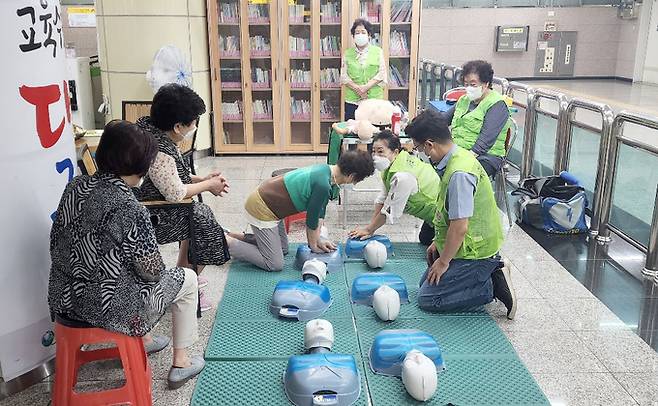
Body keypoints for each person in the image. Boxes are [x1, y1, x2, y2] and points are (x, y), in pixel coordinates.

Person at [49, 120, 204, 389]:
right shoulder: (130, 207)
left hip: (65, 301)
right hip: (108, 310)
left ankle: (145, 340)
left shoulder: (74, 187)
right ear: (141, 166)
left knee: (119, 272)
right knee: (186, 279)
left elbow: (56, 243)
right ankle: (182, 361)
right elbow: (153, 273)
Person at [404, 109, 517, 319]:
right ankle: (480, 273)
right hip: (465, 245)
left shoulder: (459, 174)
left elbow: (460, 226)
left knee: (428, 299)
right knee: (425, 284)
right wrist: (438, 243)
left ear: (430, 144)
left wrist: (444, 261)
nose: (421, 153)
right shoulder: (456, 155)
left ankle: (492, 282)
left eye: (419, 148)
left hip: (475, 250)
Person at [135, 83, 230, 312]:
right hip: (152, 216)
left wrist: (203, 180)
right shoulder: (161, 151)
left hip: (149, 205)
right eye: (194, 122)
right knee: (203, 224)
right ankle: (183, 285)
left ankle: (182, 274)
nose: (195, 126)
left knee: (197, 217)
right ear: (178, 126)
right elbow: (175, 192)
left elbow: (171, 179)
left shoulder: (152, 133)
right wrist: (209, 185)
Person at [228, 151, 374, 272]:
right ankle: (226, 242)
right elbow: (311, 221)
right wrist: (313, 245)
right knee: (274, 263)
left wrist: (319, 240)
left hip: (272, 206)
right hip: (262, 208)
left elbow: (320, 211)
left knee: (283, 249)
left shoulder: (326, 171)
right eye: (356, 180)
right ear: (352, 176)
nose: (354, 183)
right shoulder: (322, 184)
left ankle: (237, 236)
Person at [349, 130, 439, 245]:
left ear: (395, 152)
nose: (376, 157)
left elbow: (389, 209)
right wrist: (370, 228)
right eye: (373, 152)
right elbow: (383, 198)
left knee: (436, 252)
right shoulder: (392, 166)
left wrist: (369, 229)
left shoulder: (403, 176)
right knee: (425, 240)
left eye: (380, 152)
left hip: (443, 215)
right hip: (432, 216)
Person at [443, 60, 510, 178]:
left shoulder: (497, 104)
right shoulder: (464, 100)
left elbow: (485, 141)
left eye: (473, 85)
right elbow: (443, 120)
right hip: (459, 151)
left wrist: (465, 158)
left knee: (460, 175)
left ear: (486, 84)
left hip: (486, 156)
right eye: (466, 84)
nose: (468, 88)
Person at [340, 18, 387, 120]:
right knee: (352, 129)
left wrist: (365, 88)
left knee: (373, 130)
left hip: (374, 99)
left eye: (363, 32)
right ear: (353, 36)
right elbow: (344, 76)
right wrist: (358, 89)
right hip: (352, 100)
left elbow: (382, 73)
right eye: (357, 33)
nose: (360, 35)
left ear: (369, 35)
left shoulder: (378, 51)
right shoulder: (347, 53)